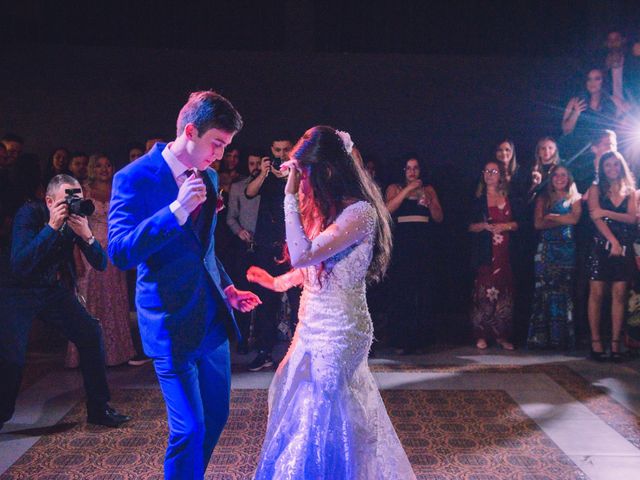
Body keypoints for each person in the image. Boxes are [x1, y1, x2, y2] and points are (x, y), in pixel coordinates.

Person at [247, 125, 416, 479]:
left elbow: (304, 254)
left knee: (321, 414)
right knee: (294, 399)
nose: (301, 182)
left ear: (326, 170)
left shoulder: (360, 214)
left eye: (304, 173)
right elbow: (314, 268)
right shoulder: (330, 209)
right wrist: (275, 283)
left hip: (341, 330)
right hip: (311, 325)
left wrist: (288, 197)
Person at [107, 90, 261, 480]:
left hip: (211, 321)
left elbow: (204, 249)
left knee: (216, 417)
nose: (221, 156)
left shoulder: (208, 177)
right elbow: (120, 252)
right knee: (188, 429)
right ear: (190, 131)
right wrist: (174, 211)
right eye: (217, 144)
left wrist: (226, 288)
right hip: (170, 322)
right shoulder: (134, 178)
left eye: (226, 146)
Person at [0, 174, 130, 430]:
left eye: (78, 197)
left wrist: (87, 235)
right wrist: (51, 227)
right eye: (67, 199)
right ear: (49, 201)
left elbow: (101, 264)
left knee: (90, 332)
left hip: (49, 290)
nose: (74, 204)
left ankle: (99, 408)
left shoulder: (76, 220)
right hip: (15, 291)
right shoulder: (29, 214)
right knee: (12, 358)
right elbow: (20, 264)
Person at [65, 154, 136, 367]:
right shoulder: (82, 190)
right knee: (89, 302)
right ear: (91, 168)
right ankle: (84, 357)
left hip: (114, 251)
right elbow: (72, 225)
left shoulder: (119, 187)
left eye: (108, 165)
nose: (105, 169)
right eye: (99, 165)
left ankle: (117, 354)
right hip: (89, 249)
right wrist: (76, 257)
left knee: (115, 300)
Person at [245, 134, 300, 372]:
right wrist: (264, 173)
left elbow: (303, 198)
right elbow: (249, 192)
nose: (280, 155)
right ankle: (265, 351)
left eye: (285, 150)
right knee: (266, 302)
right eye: (276, 150)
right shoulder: (264, 175)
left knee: (299, 302)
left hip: (293, 247)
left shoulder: (298, 173)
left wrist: (290, 175)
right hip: (267, 245)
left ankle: (300, 353)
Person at [385, 155, 443, 353]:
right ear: (403, 170)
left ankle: (421, 341)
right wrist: (408, 190)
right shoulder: (395, 188)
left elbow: (439, 217)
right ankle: (401, 339)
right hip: (403, 244)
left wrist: (430, 203)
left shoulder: (429, 190)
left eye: (416, 168)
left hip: (423, 244)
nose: (412, 172)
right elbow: (387, 211)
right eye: (408, 168)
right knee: (403, 291)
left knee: (422, 291)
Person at [586, 151, 636, 362]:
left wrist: (608, 213)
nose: (612, 169)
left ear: (621, 166)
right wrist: (612, 241)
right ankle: (596, 341)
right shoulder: (596, 188)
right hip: (602, 245)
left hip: (624, 247)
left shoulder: (630, 190)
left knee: (619, 295)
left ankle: (615, 343)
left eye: (615, 165)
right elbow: (595, 217)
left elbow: (632, 219)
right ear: (602, 168)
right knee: (597, 294)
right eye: (608, 166)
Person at [528, 165, 581, 350]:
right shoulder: (543, 197)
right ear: (551, 178)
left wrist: (552, 216)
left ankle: (562, 339)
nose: (559, 178)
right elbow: (538, 223)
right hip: (547, 250)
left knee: (564, 293)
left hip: (566, 251)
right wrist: (561, 218)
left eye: (563, 175)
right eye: (556, 175)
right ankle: (542, 339)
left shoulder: (574, 197)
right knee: (544, 292)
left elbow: (575, 219)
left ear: (569, 178)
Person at [468, 161, 519, 350]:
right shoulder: (478, 198)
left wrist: (505, 226)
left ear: (500, 175)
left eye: (494, 171)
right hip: (486, 252)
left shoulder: (509, 197)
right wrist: (484, 227)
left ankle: (503, 336)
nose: (490, 174)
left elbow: (518, 223)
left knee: (505, 293)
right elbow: (468, 227)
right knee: (484, 293)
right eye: (487, 171)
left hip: (505, 252)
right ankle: (481, 334)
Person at [226, 151, 262, 353]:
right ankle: (241, 337)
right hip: (243, 247)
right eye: (251, 163)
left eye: (258, 162)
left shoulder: (268, 187)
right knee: (242, 291)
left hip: (263, 246)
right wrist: (239, 231)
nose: (254, 166)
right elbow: (231, 217)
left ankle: (260, 337)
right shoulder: (238, 187)